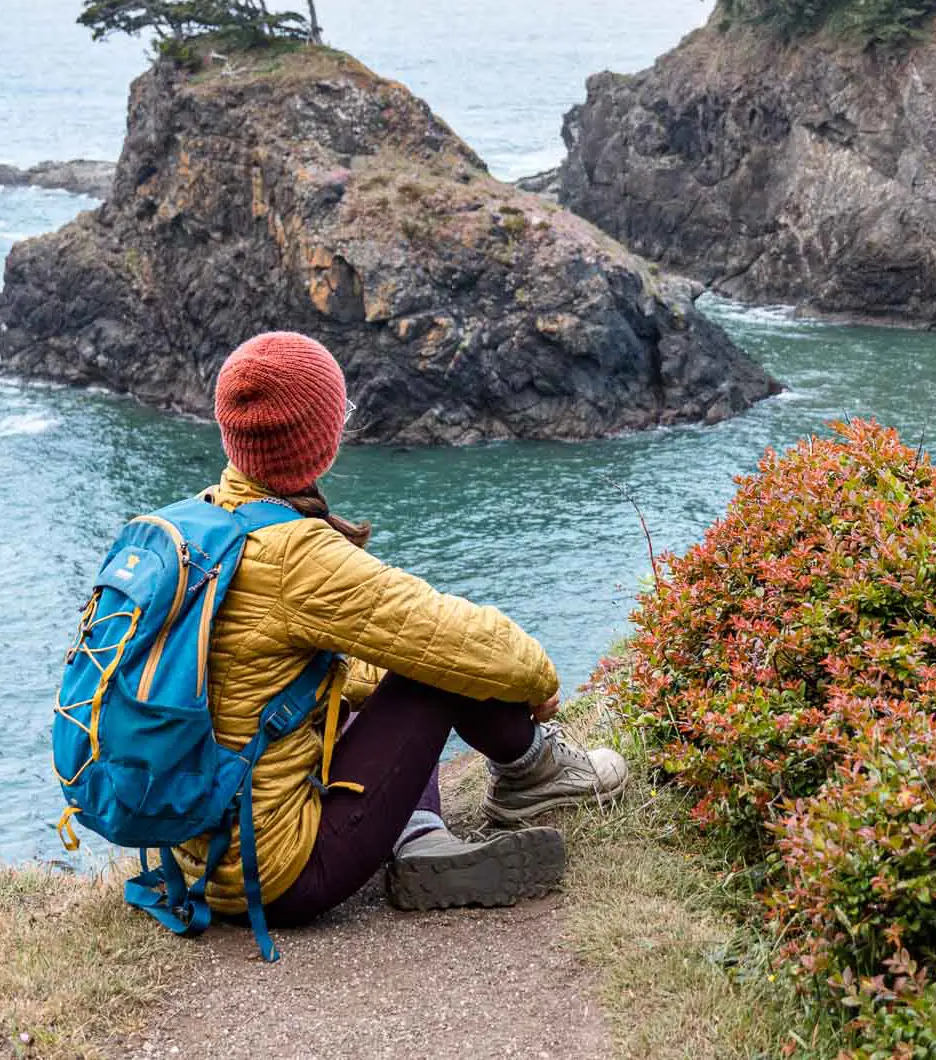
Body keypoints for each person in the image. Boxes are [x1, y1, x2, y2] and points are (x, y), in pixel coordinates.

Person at [174, 330, 629, 923]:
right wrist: (539, 681)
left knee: (391, 658)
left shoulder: (203, 522)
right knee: (437, 661)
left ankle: (419, 835)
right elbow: (459, 640)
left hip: (201, 852)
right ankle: (532, 771)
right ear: (322, 440)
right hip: (281, 872)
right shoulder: (296, 554)